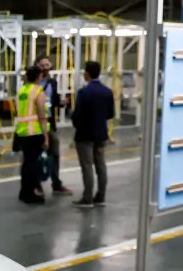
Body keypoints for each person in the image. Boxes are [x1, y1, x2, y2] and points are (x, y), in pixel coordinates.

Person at [71, 60, 116, 209]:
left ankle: (87, 198)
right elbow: (110, 114)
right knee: (101, 166)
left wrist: (75, 122)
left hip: (84, 135)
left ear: (87, 74)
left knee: (87, 166)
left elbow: (77, 115)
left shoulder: (84, 92)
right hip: (101, 134)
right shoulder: (107, 92)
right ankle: (101, 196)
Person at [35, 55, 72, 195]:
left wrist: (61, 103)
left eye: (47, 64)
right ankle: (37, 184)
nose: (45, 67)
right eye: (42, 64)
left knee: (55, 153)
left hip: (49, 121)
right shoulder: (33, 83)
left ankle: (56, 183)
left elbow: (54, 99)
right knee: (37, 155)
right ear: (37, 66)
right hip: (36, 122)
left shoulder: (52, 82)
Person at [15, 66, 49, 205]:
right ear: (38, 77)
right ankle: (29, 193)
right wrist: (46, 136)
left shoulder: (22, 91)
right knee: (32, 164)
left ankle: (24, 191)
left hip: (22, 131)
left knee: (26, 163)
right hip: (34, 132)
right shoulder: (38, 92)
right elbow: (41, 115)